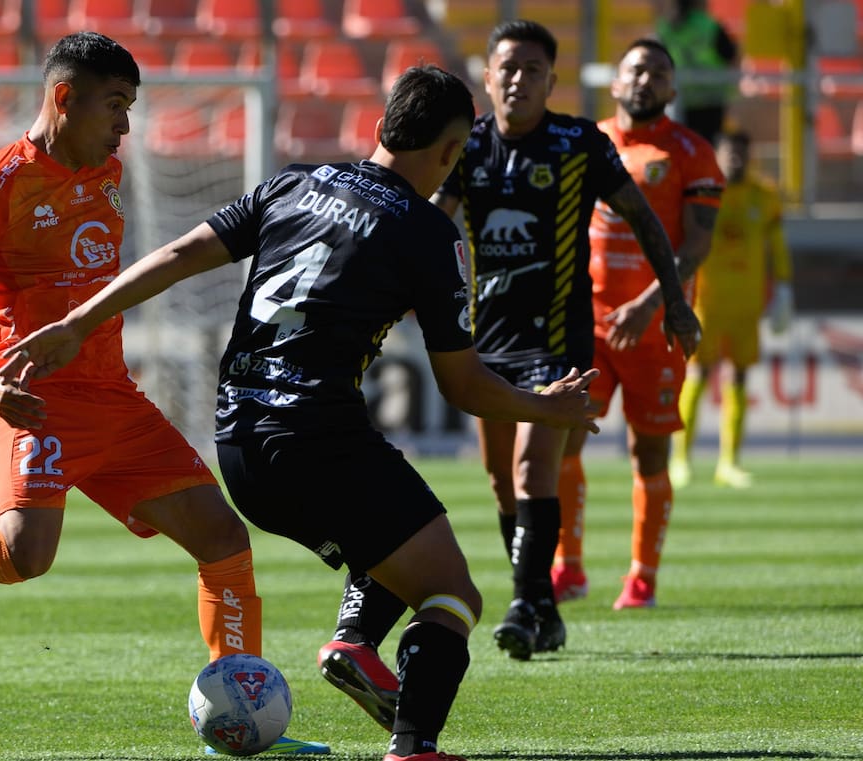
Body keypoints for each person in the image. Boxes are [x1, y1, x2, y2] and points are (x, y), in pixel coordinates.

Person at [0, 65, 600, 761]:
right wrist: (549, 406)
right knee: (453, 593)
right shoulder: (429, 235)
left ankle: (358, 645)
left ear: (380, 128)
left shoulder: (293, 183)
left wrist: (75, 322)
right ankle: (414, 750)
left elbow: (177, 255)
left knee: (398, 526)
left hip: (240, 444)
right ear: (451, 152)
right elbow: (464, 385)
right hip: (318, 439)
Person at [0, 31, 325, 756]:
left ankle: (237, 709)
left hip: (114, 399)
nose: (125, 124)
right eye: (114, 104)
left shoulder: (107, 171)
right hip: (34, 401)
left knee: (223, 537)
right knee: (26, 557)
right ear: (62, 98)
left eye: (130, 107)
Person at [326, 20, 702, 665]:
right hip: (484, 336)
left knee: (533, 469)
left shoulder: (578, 142)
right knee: (502, 482)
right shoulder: (467, 145)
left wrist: (673, 301)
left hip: (557, 337)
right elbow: (431, 217)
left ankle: (527, 603)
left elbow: (642, 218)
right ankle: (541, 604)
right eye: (508, 67)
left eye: (532, 69)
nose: (518, 78)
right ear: (489, 76)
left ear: (552, 81)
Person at [551, 39, 724, 611]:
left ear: (673, 89)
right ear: (616, 83)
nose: (646, 79)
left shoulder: (692, 152)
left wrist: (652, 305)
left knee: (647, 455)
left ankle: (642, 578)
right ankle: (567, 568)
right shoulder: (587, 142)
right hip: (588, 324)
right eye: (635, 70)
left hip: (656, 331)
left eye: (658, 72)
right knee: (563, 441)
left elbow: (696, 244)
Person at [672, 130, 793, 489]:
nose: (735, 159)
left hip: (746, 305)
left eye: (741, 152)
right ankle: (681, 459)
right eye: (729, 153)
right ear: (718, 155)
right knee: (696, 377)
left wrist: (784, 286)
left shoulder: (765, 197)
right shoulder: (702, 193)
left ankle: (729, 463)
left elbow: (777, 246)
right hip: (707, 304)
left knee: (739, 377)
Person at [656, 0, 739, 144]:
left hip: (706, 100)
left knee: (700, 148)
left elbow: (731, 55)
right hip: (685, 101)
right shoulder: (665, 29)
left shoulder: (705, 26)